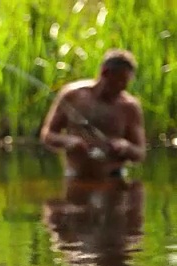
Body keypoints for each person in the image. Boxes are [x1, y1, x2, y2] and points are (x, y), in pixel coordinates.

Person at [39, 49, 146, 180]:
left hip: (114, 179)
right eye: (120, 81)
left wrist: (126, 147)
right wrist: (69, 141)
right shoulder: (73, 95)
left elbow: (140, 153)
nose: (123, 88)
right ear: (105, 73)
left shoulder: (129, 107)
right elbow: (47, 135)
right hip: (75, 177)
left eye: (126, 83)